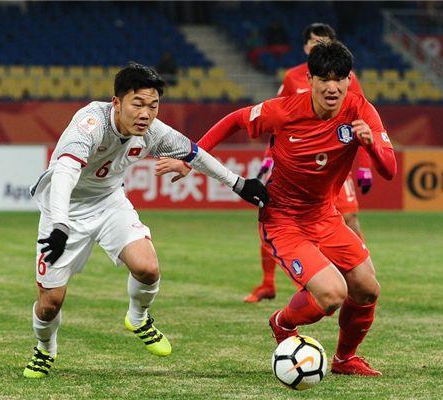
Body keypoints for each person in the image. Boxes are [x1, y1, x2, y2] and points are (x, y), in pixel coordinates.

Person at [156, 41, 396, 376]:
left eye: (339, 79)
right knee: (332, 294)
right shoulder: (283, 110)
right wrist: (190, 159)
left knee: (367, 289)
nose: (332, 87)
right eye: (324, 79)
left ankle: (345, 360)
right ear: (309, 79)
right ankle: (282, 323)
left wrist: (371, 145)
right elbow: (235, 120)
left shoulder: (360, 110)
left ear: (348, 80)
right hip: (283, 219)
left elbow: (389, 169)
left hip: (325, 216)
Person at [23, 62, 268, 378]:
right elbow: (64, 173)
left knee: (148, 268)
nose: (146, 114)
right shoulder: (89, 124)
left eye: (153, 106)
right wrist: (59, 223)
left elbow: (194, 154)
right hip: (64, 210)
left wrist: (239, 184)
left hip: (109, 204)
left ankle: (138, 318)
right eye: (137, 104)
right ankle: (45, 349)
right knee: (50, 304)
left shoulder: (153, 131)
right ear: (117, 103)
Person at [244, 22, 373, 303]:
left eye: (324, 41)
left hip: (335, 165)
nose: (318, 45)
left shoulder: (347, 78)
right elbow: (278, 121)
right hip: (300, 164)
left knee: (350, 218)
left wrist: (364, 165)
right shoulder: (293, 78)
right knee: (278, 214)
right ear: (305, 47)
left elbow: (363, 121)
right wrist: (269, 159)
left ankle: (355, 278)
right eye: (314, 41)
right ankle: (271, 282)